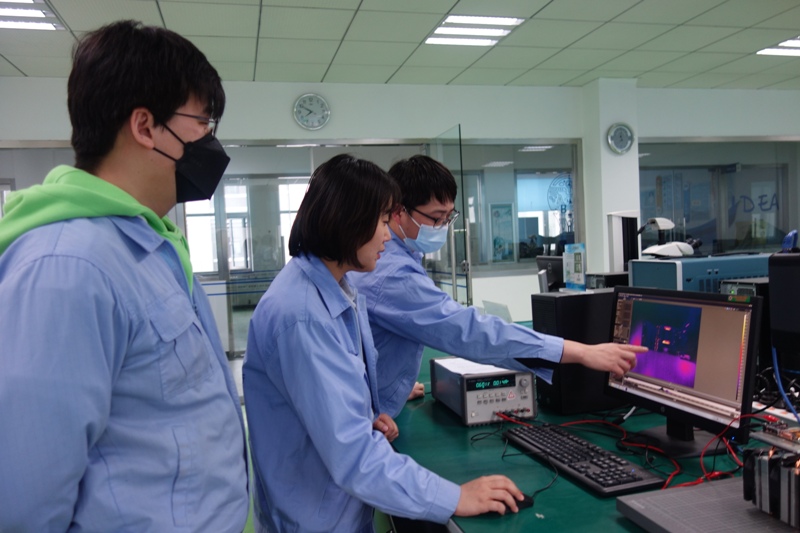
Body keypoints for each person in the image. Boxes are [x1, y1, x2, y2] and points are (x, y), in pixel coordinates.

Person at [0, 20, 248, 532]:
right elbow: (25, 504)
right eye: (201, 122)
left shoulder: (148, 245)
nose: (209, 140)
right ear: (145, 126)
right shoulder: (67, 266)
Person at [243, 154, 526, 533]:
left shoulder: (336, 289)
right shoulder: (303, 316)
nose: (388, 235)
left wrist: (362, 415)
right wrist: (455, 497)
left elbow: (324, 398)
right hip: (314, 517)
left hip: (331, 505)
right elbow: (353, 456)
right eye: (381, 221)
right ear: (348, 221)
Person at [349, 155, 646, 418]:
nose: (443, 227)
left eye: (449, 217)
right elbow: (467, 330)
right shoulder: (392, 273)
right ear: (399, 212)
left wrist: (393, 388)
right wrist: (578, 352)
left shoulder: (403, 253)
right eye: (437, 218)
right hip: (367, 417)